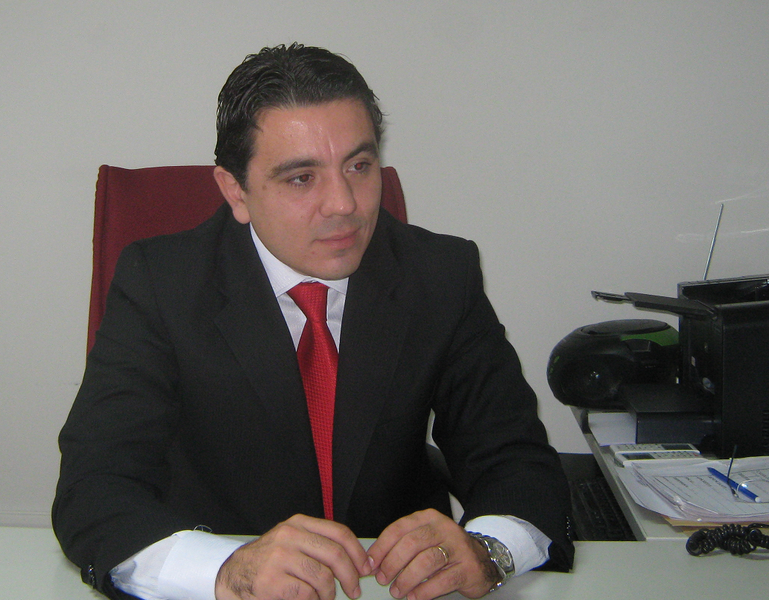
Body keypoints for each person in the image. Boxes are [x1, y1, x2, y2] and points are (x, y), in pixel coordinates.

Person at [53, 43, 574, 600]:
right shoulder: (161, 284)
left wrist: (490, 550)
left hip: (389, 587)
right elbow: (94, 487)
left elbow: (517, 461)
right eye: (302, 178)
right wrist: (227, 571)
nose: (344, 204)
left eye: (359, 166)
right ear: (235, 191)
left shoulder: (440, 275)